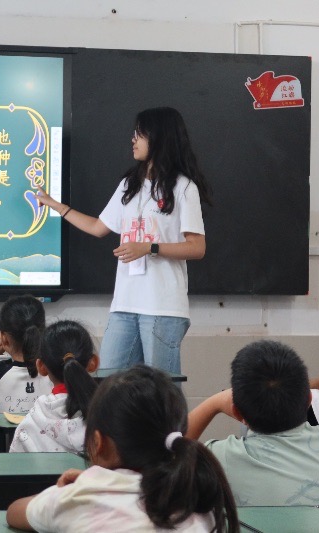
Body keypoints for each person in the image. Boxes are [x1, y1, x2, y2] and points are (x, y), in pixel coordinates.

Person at [36, 107, 210, 374]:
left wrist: (149, 248)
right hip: (124, 304)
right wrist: (55, 205)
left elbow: (197, 247)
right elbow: (98, 227)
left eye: (140, 134)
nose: (133, 139)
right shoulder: (130, 184)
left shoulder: (184, 187)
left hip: (162, 307)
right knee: (108, 381)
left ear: (159, 137)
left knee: (160, 389)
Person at [6, 365, 237, 532]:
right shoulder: (197, 497)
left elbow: (14, 512)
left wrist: (70, 490)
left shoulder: (82, 497)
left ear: (98, 443)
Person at [187, 340, 319, 506]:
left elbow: (168, 458)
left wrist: (213, 404)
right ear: (309, 400)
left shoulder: (217, 459)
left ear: (237, 412)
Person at [9, 320, 98, 453]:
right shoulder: (111, 415)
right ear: (93, 363)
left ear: (41, 366)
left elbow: (15, 463)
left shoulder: (31, 422)